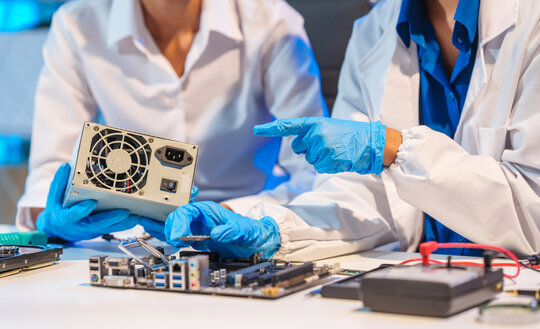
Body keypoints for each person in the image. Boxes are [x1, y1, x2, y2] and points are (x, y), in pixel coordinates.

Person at [166, 0, 540, 260]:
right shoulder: (374, 30)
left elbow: (532, 208)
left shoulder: (530, 22)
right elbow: (363, 199)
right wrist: (271, 228)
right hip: (420, 279)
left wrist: (395, 148)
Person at [16, 0, 327, 242]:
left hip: (246, 230)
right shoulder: (77, 25)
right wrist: (54, 217)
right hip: (125, 238)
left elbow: (313, 172)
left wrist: (239, 214)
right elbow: (52, 169)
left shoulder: (272, 23)